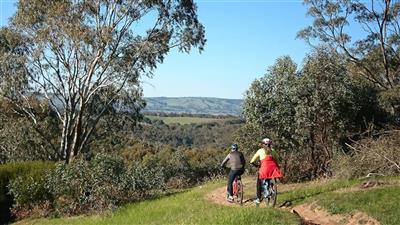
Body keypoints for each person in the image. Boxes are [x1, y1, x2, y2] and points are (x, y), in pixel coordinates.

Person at [250, 138, 283, 204]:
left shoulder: (260, 151)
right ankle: (272, 188)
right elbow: (277, 161)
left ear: (263, 144)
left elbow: (252, 161)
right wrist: (278, 167)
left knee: (259, 183)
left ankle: (258, 198)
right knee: (272, 177)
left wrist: (257, 166)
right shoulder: (273, 151)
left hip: (264, 168)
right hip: (273, 168)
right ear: (270, 144)